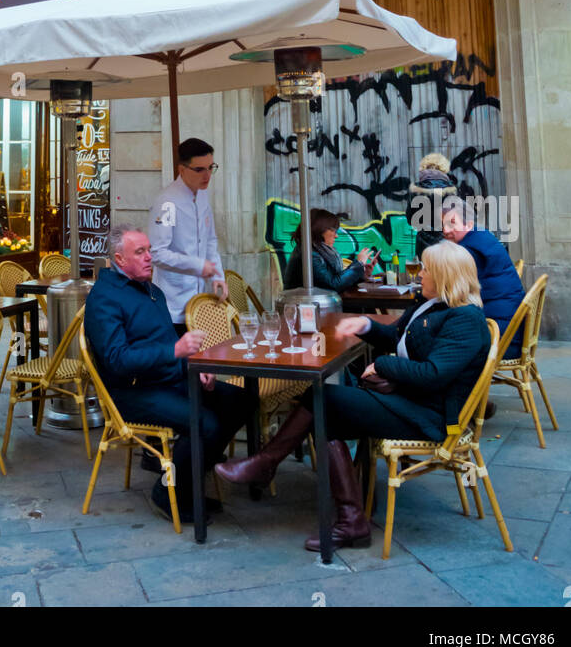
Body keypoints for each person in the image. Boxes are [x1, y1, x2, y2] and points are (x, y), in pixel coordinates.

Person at [216, 240, 491, 551]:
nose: (420, 274)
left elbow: (432, 374)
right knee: (327, 404)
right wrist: (365, 325)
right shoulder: (432, 304)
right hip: (408, 400)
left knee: (326, 400)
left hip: (428, 416)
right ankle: (348, 519)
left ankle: (270, 464)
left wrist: (383, 364)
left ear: (445, 276)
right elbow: (397, 337)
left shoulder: (465, 319)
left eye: (426, 269)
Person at [83, 224, 248, 525]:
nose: (149, 258)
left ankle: (188, 478)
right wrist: (175, 353)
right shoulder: (104, 299)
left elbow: (164, 346)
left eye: (149, 250)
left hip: (167, 379)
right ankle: (169, 490)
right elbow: (118, 360)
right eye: (140, 252)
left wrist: (195, 368)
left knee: (240, 400)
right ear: (119, 260)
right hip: (132, 392)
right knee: (205, 423)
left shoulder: (152, 290)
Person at [148, 137, 227, 334]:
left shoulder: (202, 195)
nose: (207, 175)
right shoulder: (167, 203)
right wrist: (199, 265)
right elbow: (157, 253)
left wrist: (218, 275)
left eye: (211, 167)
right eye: (199, 169)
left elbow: (210, 241)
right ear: (181, 170)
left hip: (200, 300)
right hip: (173, 304)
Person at [441, 195, 524, 355]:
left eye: (452, 223)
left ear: (469, 223)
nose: (445, 230)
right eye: (443, 224)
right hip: (510, 330)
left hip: (498, 338)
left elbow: (454, 294)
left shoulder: (468, 251)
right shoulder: (481, 235)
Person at [283, 207, 375, 293]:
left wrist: (362, 273)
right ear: (320, 229)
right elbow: (333, 284)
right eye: (333, 230)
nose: (336, 235)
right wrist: (358, 264)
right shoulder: (309, 254)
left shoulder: (319, 250)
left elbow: (335, 279)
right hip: (305, 306)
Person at [406, 152, 457, 259]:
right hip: (447, 241)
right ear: (444, 168)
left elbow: (410, 220)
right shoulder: (452, 190)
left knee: (426, 274)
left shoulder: (415, 190)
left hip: (423, 243)